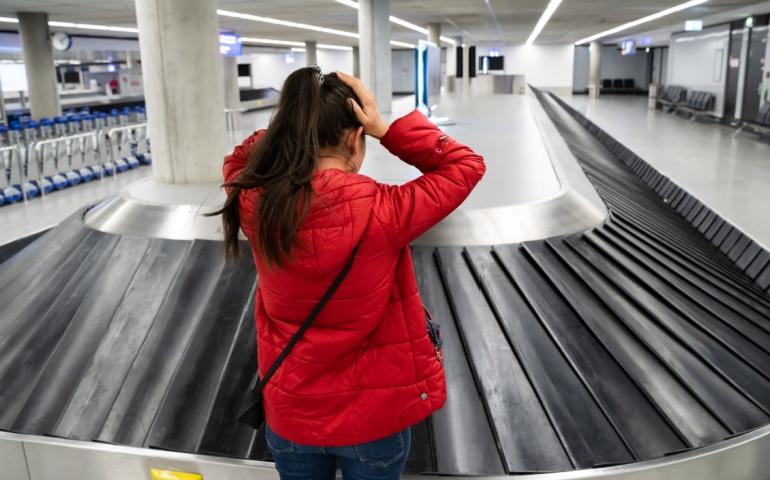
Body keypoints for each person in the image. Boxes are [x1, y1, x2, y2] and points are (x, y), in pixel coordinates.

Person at [212, 66, 485, 480]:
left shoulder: (254, 203)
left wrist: (290, 123)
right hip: (372, 422)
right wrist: (387, 129)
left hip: (292, 415)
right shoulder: (385, 210)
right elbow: (464, 165)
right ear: (355, 137)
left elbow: (236, 159)